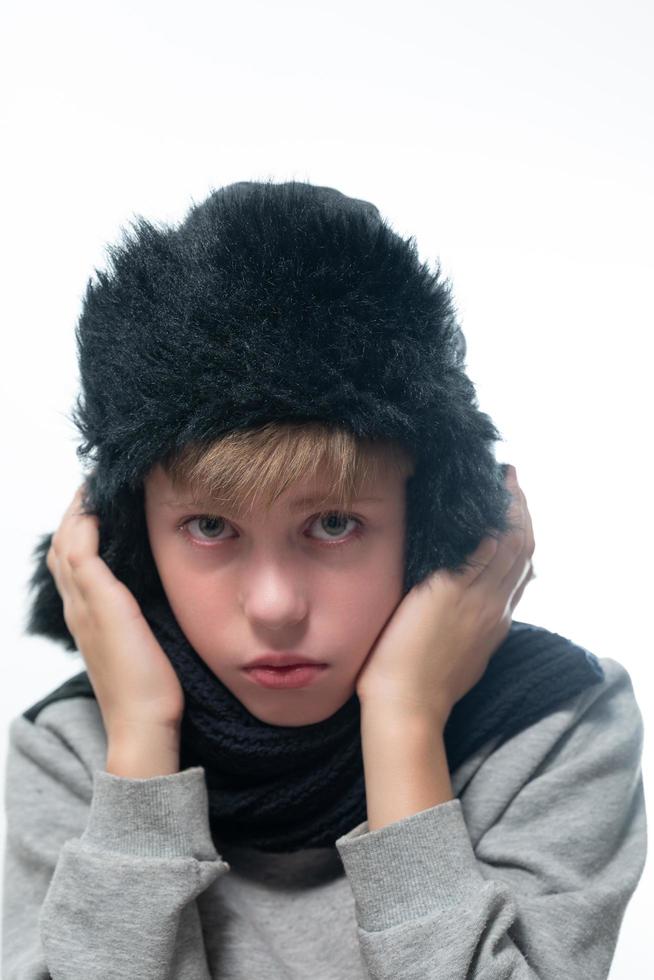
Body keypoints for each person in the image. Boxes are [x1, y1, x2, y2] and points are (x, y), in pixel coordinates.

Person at [2, 180, 646, 979]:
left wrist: (405, 721)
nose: (274, 606)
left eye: (334, 524)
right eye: (210, 526)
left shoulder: (554, 730)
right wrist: (138, 745)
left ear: (431, 526)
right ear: (128, 541)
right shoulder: (72, 750)